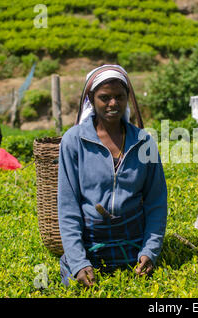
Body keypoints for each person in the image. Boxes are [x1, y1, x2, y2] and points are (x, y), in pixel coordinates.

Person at [57, 65, 168, 287]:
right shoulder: (74, 141)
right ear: (91, 98)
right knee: (76, 285)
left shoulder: (143, 141)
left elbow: (156, 201)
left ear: (128, 97)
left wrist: (150, 251)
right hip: (91, 244)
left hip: (133, 243)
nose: (113, 104)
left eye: (119, 96)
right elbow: (68, 207)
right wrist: (79, 262)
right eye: (104, 97)